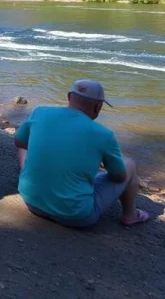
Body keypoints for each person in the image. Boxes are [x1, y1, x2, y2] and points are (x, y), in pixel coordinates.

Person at [14, 80, 150, 228]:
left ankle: (38, 180)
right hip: (75, 216)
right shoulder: (104, 134)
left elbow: (20, 143)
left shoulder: (39, 112)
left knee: (28, 146)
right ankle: (130, 215)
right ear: (98, 106)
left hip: (31, 202)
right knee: (129, 164)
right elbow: (119, 176)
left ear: (69, 97)